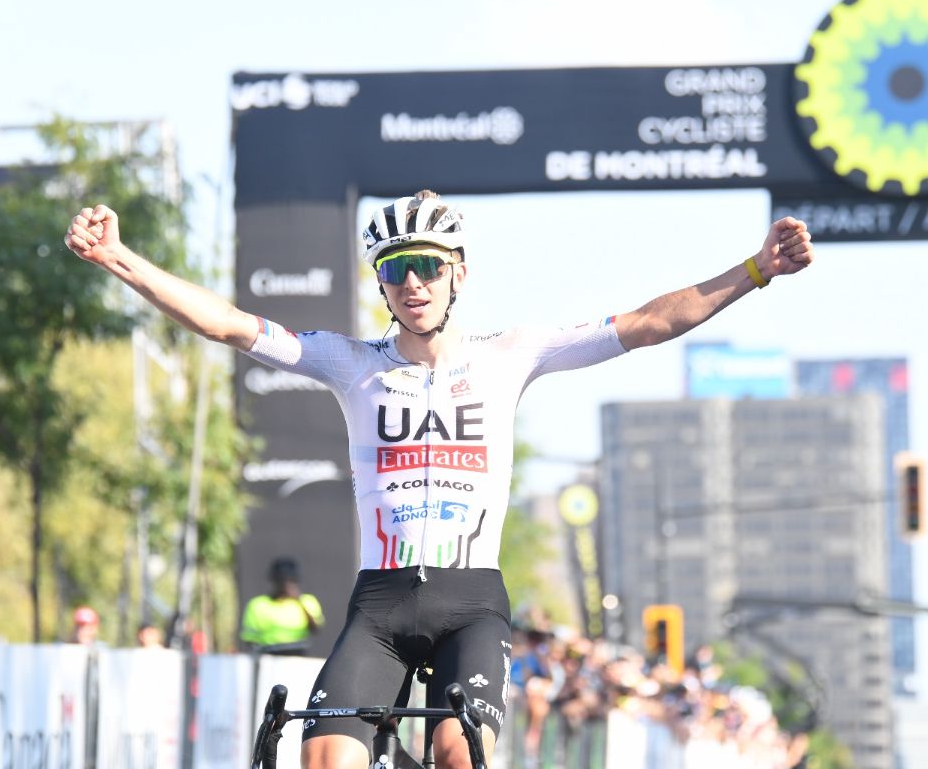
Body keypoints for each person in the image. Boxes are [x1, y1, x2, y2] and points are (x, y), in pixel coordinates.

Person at [63, 191, 813, 769]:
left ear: (458, 273)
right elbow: (226, 323)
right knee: (321, 757)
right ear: (380, 284)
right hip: (380, 604)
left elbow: (652, 321)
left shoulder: (512, 354)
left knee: (459, 755)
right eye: (395, 270)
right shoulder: (349, 362)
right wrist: (119, 259)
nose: (413, 283)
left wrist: (756, 271)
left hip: (470, 605)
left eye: (427, 266)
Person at [240, 556, 324, 655]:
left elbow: (315, 629)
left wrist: (300, 601)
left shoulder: (307, 601)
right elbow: (249, 638)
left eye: (291, 581)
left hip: (297, 655)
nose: (286, 586)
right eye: (282, 581)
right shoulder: (257, 605)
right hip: (268, 656)